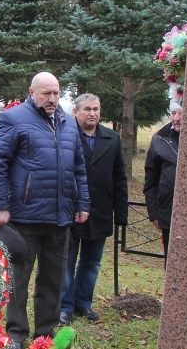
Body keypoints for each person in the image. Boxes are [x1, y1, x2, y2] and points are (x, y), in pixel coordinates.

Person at [0, 72, 90, 349]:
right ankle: (16, 336)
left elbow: (79, 166)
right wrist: (0, 206)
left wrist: (82, 204)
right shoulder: (14, 118)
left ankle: (45, 334)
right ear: (32, 92)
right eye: (46, 93)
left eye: (56, 93)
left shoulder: (68, 122)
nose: (52, 99)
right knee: (17, 281)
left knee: (53, 281)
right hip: (24, 217)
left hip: (60, 216)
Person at [59, 94, 128, 325]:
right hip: (71, 210)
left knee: (92, 262)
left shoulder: (112, 138)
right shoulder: (66, 136)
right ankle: (65, 306)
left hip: (100, 211)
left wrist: (121, 213)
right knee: (67, 261)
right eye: (87, 109)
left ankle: (83, 302)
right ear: (75, 112)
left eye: (96, 109)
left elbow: (119, 178)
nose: (92, 113)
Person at [144, 103, 181, 261]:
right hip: (168, 213)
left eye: (181, 114)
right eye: (173, 113)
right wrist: (154, 214)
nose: (176, 119)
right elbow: (151, 181)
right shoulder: (160, 138)